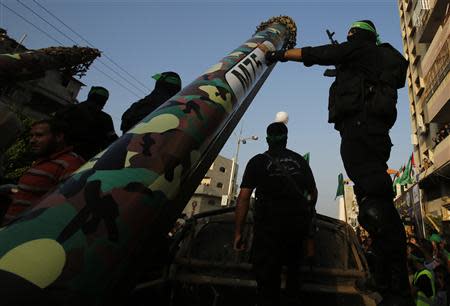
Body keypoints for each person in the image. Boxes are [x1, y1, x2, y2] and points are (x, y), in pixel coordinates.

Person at [266, 20, 410, 304]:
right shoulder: (379, 57)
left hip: (360, 129)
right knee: (374, 197)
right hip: (374, 133)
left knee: (373, 205)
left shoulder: (361, 50)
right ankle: (388, 280)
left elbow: (317, 55)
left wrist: (282, 55)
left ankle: (394, 287)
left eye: (350, 37)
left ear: (356, 36)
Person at [234, 122, 318, 306]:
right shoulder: (300, 161)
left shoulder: (257, 161)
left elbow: (243, 198)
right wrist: (307, 210)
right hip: (295, 233)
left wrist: (239, 233)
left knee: (266, 285)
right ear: (286, 139)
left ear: (267, 140)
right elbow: (313, 193)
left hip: (267, 233)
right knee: (293, 282)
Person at [0, 119, 84, 223]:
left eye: (39, 135)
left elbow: (66, 204)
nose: (32, 140)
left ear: (58, 137)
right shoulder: (42, 161)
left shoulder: (71, 163)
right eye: (31, 136)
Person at [55, 86, 118, 160]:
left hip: (58, 154)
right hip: (84, 160)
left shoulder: (69, 109)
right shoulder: (105, 118)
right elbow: (113, 141)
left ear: (89, 96)